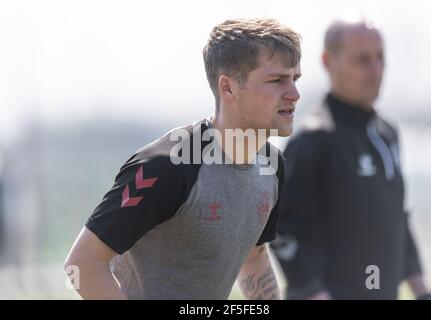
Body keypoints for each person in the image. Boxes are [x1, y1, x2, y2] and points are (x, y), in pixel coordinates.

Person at [64, 18, 302, 300]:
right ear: (227, 88)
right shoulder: (167, 166)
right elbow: (83, 264)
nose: (294, 94)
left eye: (295, 79)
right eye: (277, 80)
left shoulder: (272, 166)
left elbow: (254, 257)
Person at [272, 18, 431, 300]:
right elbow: (284, 232)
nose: (376, 70)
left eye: (380, 58)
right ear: (328, 61)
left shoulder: (387, 133)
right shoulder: (314, 139)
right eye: (362, 60)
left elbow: (396, 218)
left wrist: (423, 292)